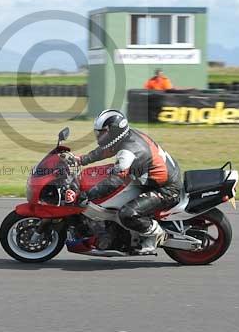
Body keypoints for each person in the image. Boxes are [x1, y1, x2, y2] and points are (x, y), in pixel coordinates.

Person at [66, 109, 182, 254]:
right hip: (147, 179)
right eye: (99, 132)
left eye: (102, 132)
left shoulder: (130, 151)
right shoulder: (125, 137)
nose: (99, 136)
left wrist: (89, 194)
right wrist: (81, 159)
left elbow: (115, 180)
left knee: (127, 213)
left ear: (113, 131)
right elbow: (105, 151)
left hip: (165, 188)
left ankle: (157, 234)